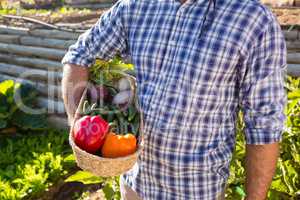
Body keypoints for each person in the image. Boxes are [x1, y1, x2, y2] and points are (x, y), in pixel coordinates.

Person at [61, 0, 287, 199]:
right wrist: (80, 127)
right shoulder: (136, 6)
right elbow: (80, 55)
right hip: (135, 186)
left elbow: (263, 124)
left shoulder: (253, 20)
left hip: (197, 190)